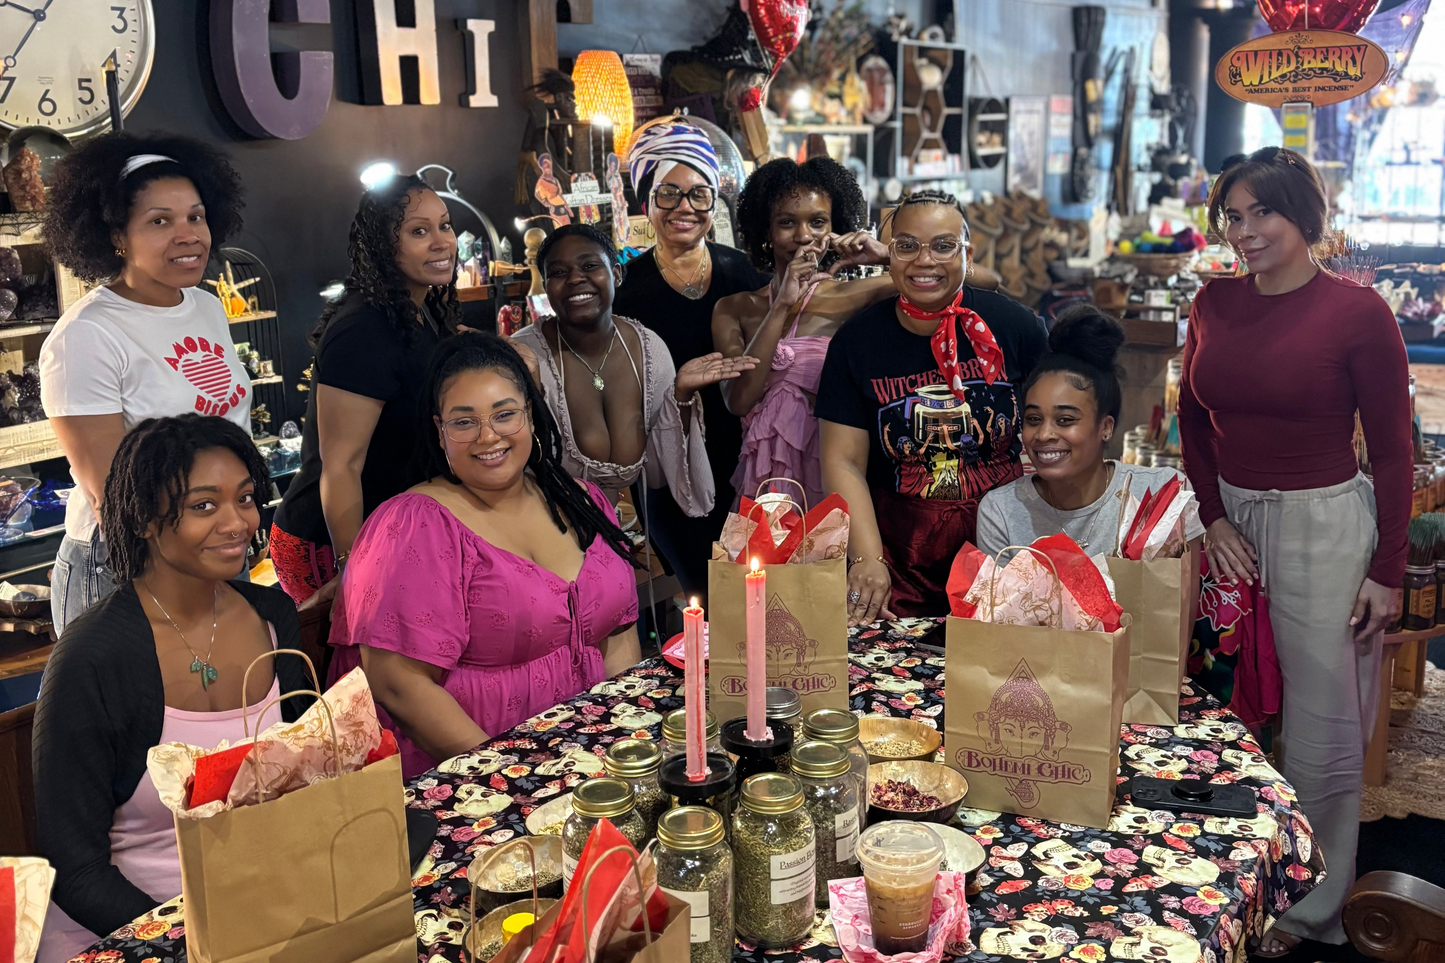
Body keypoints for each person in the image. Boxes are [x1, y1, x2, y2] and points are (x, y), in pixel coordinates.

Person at [1178, 146, 1410, 953]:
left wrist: (1386, 570)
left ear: (1303, 215)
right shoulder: (1211, 302)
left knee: (1319, 719)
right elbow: (1192, 422)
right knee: (1220, 700)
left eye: (1262, 213)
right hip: (1229, 527)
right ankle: (1227, 876)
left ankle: (1307, 907)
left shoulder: (1357, 313)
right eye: (1232, 216)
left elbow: (1392, 452)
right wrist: (1212, 517)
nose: (1243, 232)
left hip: (1323, 526)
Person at [32, 416, 315, 963]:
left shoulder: (273, 617)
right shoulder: (91, 658)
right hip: (129, 932)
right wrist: (193, 945)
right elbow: (76, 870)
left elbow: (306, 778)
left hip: (257, 913)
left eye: (246, 498)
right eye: (203, 505)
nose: (237, 523)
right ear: (143, 519)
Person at [327, 333, 642, 777]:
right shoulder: (415, 525)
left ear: (530, 414)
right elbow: (397, 685)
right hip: (477, 776)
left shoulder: (580, 500)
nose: (488, 436)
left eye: (504, 414)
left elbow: (618, 630)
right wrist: (514, 777)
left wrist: (625, 739)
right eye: (464, 422)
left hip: (594, 759)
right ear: (439, 432)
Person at [39, 133, 250, 636]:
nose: (188, 235)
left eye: (195, 217)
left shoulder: (206, 307)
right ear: (116, 235)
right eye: (160, 221)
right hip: (129, 563)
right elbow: (112, 497)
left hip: (218, 543)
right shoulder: (86, 335)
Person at [815, 190, 1048, 623]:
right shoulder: (856, 342)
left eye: (943, 246)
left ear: (967, 256)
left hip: (1008, 547)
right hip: (902, 555)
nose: (925, 261)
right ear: (890, 256)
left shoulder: (1014, 326)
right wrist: (867, 559)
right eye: (907, 246)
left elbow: (1058, 420)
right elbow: (842, 460)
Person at [270, 173, 459, 605]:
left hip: (389, 529)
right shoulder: (363, 330)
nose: (442, 242)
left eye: (445, 226)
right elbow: (341, 465)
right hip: (328, 541)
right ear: (382, 245)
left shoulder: (419, 309)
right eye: (418, 231)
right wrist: (352, 567)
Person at [613, 121, 770, 601]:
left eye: (699, 194)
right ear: (647, 202)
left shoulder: (744, 272)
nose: (685, 207)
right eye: (669, 193)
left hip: (749, 465)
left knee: (760, 599)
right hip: (672, 473)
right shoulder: (625, 288)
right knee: (706, 601)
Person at [512, 223, 755, 512]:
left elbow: (658, 474)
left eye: (589, 266)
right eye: (559, 272)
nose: (575, 278)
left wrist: (680, 395)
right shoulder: (523, 356)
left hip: (616, 529)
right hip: (540, 524)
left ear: (616, 274)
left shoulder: (648, 349)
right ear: (546, 285)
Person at [713, 156, 896, 509]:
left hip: (833, 474)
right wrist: (781, 304)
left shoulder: (854, 295)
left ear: (835, 227)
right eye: (786, 222)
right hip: (764, 487)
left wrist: (886, 255)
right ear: (765, 231)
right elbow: (739, 401)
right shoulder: (733, 309)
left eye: (818, 222)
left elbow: (977, 282)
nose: (804, 236)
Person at [975, 305, 1205, 556]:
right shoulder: (1001, 512)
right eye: (1034, 419)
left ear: (1105, 427)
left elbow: (1184, 582)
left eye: (1065, 420)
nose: (1043, 434)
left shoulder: (1162, 493)